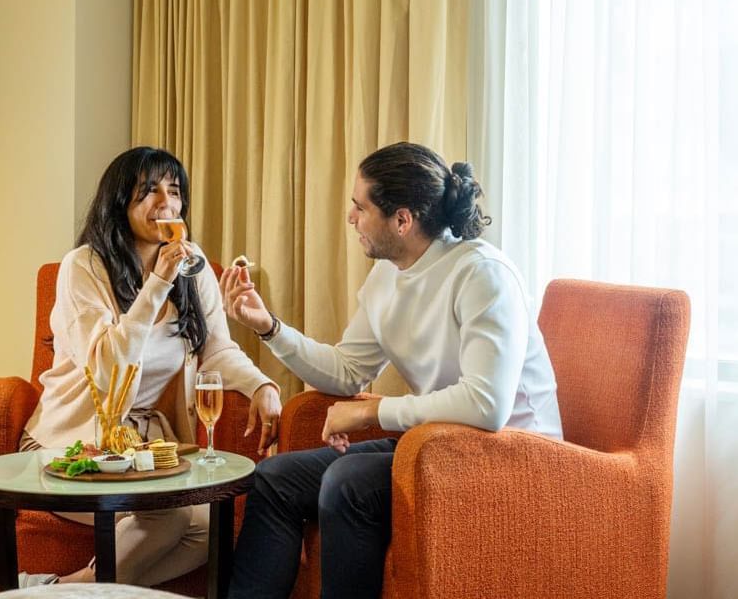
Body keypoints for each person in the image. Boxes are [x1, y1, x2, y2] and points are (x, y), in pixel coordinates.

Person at [220, 142, 563, 599]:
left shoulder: (482, 275)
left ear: (403, 219)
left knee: (349, 484)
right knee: (276, 478)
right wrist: (270, 328)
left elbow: (486, 406)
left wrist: (369, 414)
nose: (351, 218)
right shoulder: (388, 275)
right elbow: (347, 371)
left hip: (513, 456)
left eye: (360, 207)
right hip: (437, 443)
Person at [20, 146, 282, 588]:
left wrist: (261, 386)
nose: (166, 203)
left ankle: (60, 590)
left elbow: (216, 352)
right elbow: (107, 371)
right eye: (149, 192)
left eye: (174, 191)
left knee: (208, 527)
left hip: (144, 452)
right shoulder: (82, 267)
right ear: (120, 203)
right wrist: (157, 283)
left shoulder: (192, 267)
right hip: (70, 451)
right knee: (172, 513)